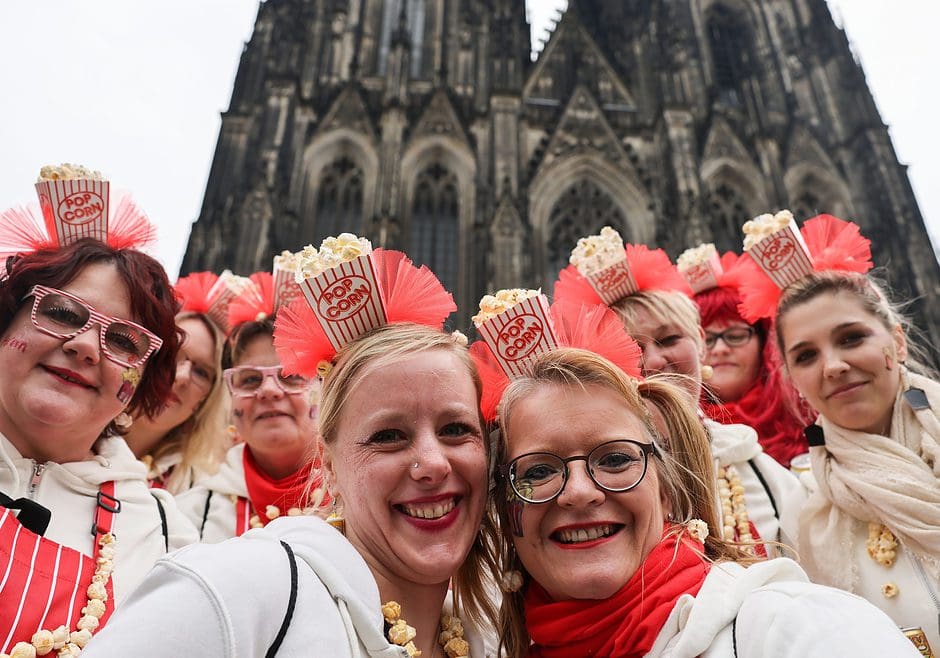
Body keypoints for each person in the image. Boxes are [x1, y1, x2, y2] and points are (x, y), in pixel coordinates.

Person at [85, 241, 499, 657]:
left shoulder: (489, 630)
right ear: (328, 462)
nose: (431, 463)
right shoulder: (242, 588)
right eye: (388, 435)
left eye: (456, 429)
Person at [493, 347, 920, 657]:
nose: (580, 491)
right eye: (537, 471)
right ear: (499, 508)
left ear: (666, 489)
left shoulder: (800, 630)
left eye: (616, 458)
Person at [0, 180, 198, 655]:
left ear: (142, 385)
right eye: (64, 313)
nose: (85, 347)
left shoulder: (169, 538)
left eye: (125, 342)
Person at [740, 213, 940, 655]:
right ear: (793, 377)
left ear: (897, 342)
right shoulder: (801, 511)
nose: (832, 366)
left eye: (851, 338)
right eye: (807, 355)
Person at [554, 237, 802, 554]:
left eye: (669, 339)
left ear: (700, 342)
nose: (655, 361)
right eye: (631, 348)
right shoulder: (585, 488)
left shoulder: (762, 474)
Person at [176, 272, 325, 542]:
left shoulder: (364, 497)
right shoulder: (186, 515)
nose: (268, 390)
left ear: (324, 388)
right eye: (250, 379)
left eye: (290, 376)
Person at [684, 249, 813, 468]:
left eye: (735, 336)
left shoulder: (808, 411)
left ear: (764, 344)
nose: (721, 349)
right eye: (707, 339)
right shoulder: (674, 429)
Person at [123, 309, 228, 492]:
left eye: (202, 372)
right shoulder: (71, 435)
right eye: (172, 355)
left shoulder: (200, 488)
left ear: (207, 399)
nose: (182, 376)